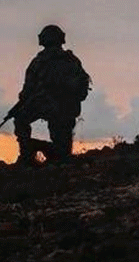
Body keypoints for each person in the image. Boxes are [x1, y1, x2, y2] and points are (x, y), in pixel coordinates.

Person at [10, 25, 91, 165]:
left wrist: (22, 103)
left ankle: (28, 154)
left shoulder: (39, 62)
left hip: (47, 106)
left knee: (20, 119)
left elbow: (27, 91)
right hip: (69, 110)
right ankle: (47, 153)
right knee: (63, 153)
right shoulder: (72, 60)